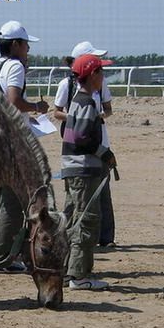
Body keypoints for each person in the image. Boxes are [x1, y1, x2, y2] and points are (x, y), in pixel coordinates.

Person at [0, 21, 49, 274]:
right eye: (26, 44)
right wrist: (37, 108)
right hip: (10, 141)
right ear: (16, 44)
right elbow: (14, 100)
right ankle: (3, 259)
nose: (28, 49)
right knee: (13, 201)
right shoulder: (15, 66)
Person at [61, 54, 116, 290]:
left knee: (74, 218)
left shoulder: (78, 100)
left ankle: (68, 270)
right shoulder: (86, 102)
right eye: (101, 73)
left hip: (74, 169)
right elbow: (83, 138)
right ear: (92, 75)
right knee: (87, 220)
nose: (103, 77)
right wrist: (105, 154)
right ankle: (78, 275)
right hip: (83, 170)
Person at [53, 41, 116, 247]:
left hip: (94, 141)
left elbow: (108, 109)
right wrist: (80, 118)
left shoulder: (97, 86)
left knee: (99, 192)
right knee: (80, 200)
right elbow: (57, 112)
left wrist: (95, 117)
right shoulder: (70, 88)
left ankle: (105, 238)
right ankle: (73, 244)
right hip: (83, 150)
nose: (102, 72)